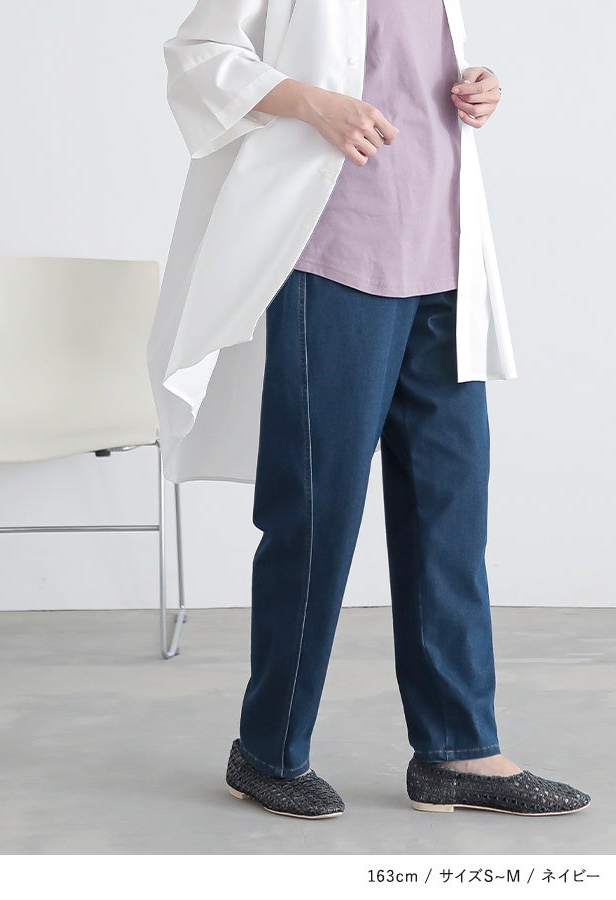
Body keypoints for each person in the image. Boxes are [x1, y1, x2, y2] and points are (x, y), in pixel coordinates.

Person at [153, 0, 592, 819]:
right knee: (315, 512)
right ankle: (268, 749)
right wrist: (312, 102)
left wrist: (479, 88)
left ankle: (459, 751)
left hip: (443, 263)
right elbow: (196, 56)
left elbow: (412, 78)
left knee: (449, 514)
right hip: (333, 260)